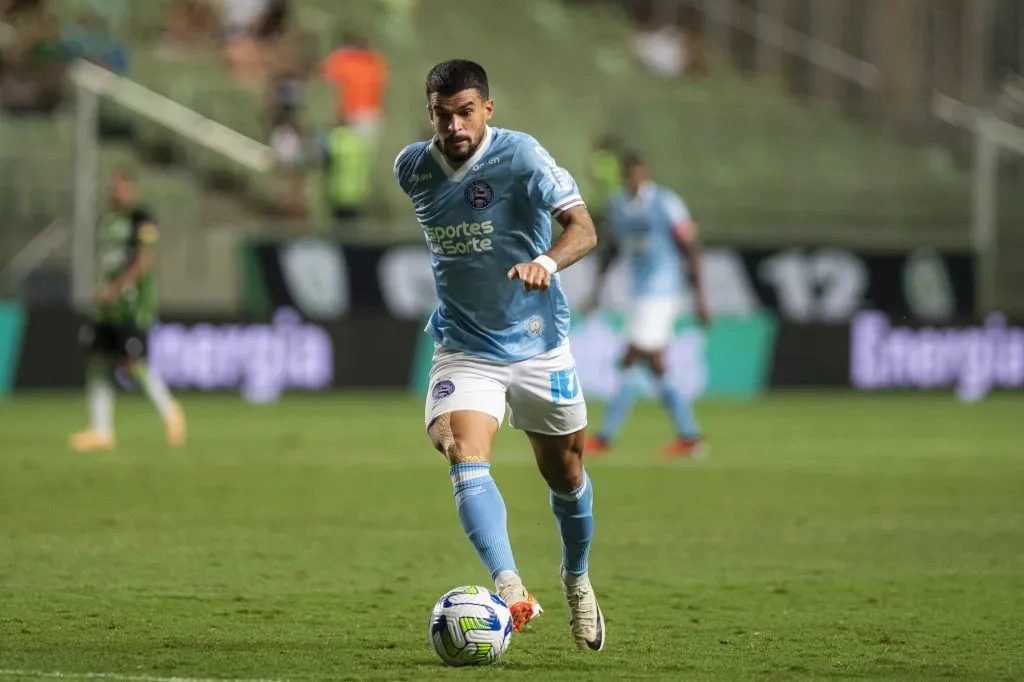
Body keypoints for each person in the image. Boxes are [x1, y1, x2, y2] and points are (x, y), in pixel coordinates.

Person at [393, 60, 604, 650]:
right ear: (429, 113)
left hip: (538, 343)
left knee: (565, 474)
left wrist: (547, 261)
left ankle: (577, 578)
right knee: (462, 449)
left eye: (466, 112)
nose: (455, 125)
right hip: (464, 345)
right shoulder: (412, 168)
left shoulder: (523, 157)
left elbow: (584, 228)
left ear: (487, 108)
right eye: (442, 114)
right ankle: (511, 591)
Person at [583, 153, 710, 458]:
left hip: (663, 292)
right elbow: (611, 250)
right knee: (655, 366)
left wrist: (700, 296)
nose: (633, 179)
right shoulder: (617, 205)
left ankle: (604, 438)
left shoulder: (666, 202)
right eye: (628, 174)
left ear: (646, 174)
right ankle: (690, 437)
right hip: (638, 294)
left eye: (637, 173)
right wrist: (596, 291)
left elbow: (690, 244)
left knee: (630, 357)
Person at [70, 169, 186, 453]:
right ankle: (101, 431)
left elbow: (144, 260)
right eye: (112, 187)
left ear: (131, 189)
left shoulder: (141, 218)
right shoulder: (107, 221)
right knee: (97, 360)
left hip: (133, 304)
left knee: (133, 363)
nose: (115, 192)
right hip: (108, 306)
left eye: (120, 188)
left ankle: (171, 413)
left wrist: (118, 289)